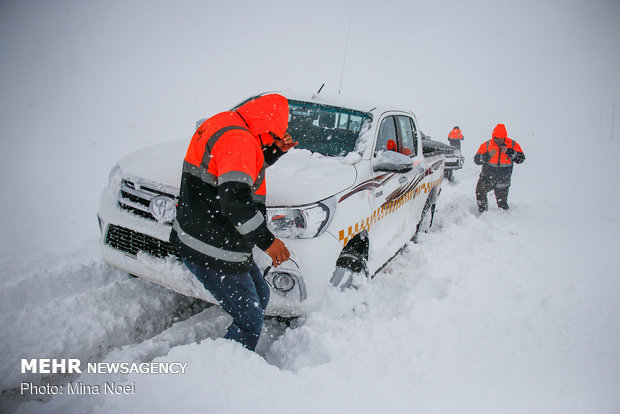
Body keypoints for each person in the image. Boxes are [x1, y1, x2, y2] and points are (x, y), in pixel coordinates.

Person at [170, 94, 298, 351]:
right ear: (269, 123)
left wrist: (273, 151)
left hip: (210, 234)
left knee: (260, 296)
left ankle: (234, 354)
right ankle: (225, 368)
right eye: (275, 133)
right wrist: (268, 242)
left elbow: (237, 167)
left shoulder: (225, 123)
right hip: (212, 245)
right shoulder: (239, 140)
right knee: (250, 318)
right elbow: (236, 202)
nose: (275, 137)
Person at [473, 123, 525, 213]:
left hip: (503, 180)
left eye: (501, 139)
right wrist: (487, 155)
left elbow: (521, 159)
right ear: (494, 137)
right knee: (480, 193)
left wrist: (509, 152)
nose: (499, 140)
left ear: (504, 138)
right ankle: (482, 213)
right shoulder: (487, 145)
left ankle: (504, 220)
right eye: (497, 138)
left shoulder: (512, 145)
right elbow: (477, 160)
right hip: (487, 178)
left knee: (502, 205)